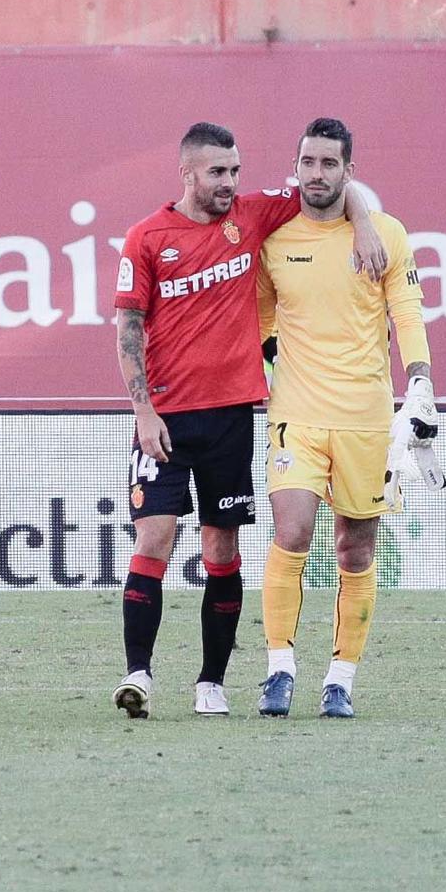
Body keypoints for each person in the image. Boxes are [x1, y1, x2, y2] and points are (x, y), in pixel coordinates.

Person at [111, 122, 384, 720]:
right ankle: (138, 674)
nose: (229, 183)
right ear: (187, 173)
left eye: (235, 171)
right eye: (217, 173)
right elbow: (128, 328)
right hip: (165, 416)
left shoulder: (254, 216)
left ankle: (212, 681)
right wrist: (142, 409)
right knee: (154, 536)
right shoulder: (146, 238)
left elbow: (332, 189)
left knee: (220, 545)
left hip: (233, 414)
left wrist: (363, 220)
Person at [254, 118, 435, 720]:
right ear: (296, 165)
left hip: (364, 417)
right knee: (293, 530)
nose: (317, 174)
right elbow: (259, 321)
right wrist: (259, 372)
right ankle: (279, 668)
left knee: (355, 550)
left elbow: (406, 309)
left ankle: (341, 679)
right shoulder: (275, 237)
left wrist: (421, 378)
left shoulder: (384, 235)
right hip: (297, 415)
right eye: (308, 162)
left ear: (348, 171)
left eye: (330, 164)